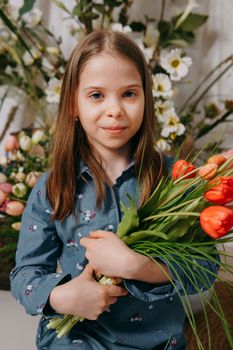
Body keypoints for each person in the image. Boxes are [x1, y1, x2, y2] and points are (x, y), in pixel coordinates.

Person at [10, 30, 218, 350]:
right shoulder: (53, 186)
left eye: (129, 94)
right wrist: (63, 296)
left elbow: (205, 268)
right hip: (75, 340)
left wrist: (137, 266)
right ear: (72, 105)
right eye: (96, 95)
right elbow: (25, 274)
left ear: (146, 99)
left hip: (157, 343)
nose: (115, 109)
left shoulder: (175, 178)